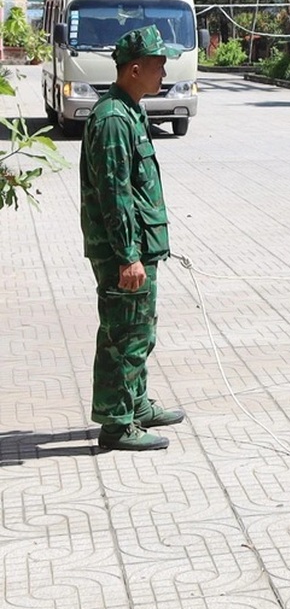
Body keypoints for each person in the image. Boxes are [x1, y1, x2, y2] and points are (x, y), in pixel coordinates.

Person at [81, 25, 186, 452]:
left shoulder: (131, 111)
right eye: (159, 67)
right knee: (122, 333)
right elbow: (115, 193)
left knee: (139, 330)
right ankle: (117, 423)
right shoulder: (111, 119)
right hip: (124, 251)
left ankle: (136, 404)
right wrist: (127, 256)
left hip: (141, 246)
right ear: (136, 69)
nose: (164, 74)